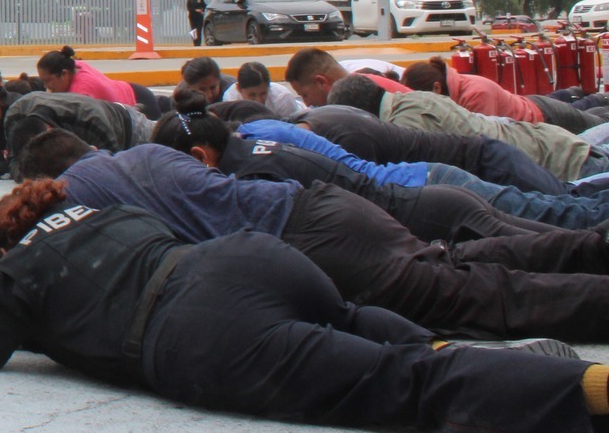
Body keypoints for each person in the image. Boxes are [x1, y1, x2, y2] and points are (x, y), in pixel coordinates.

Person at [0, 181, 609, 433]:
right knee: (363, 326)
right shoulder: (106, 211)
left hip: (201, 331)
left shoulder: (17, 270)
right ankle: (522, 367)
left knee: (410, 386)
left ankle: (581, 389)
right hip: (251, 259)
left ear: (5, 244)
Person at [22, 131, 609, 341]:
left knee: (491, 296)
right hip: (325, 207)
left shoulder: (80, 202)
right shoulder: (147, 152)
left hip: (317, 250)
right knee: (466, 260)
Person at [156, 106, 586, 250]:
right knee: (564, 216)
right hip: (430, 181)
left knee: (566, 224)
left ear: (200, 155)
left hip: (429, 192)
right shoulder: (257, 143)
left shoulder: (253, 173)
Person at [330, 74, 604, 183]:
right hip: (554, 144)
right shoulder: (413, 99)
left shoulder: (406, 127)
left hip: (562, 164)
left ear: (359, 116)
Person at [402, 59, 599, 135]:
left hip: (546, 116)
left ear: (436, 88)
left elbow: (484, 138)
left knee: (600, 125)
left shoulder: (475, 95)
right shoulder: (458, 88)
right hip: (531, 108)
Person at [2, 88, 152, 169]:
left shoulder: (89, 120)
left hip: (132, 129)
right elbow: (16, 165)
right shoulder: (14, 116)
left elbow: (111, 170)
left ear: (49, 131)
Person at [285, 47, 407, 108]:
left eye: (305, 95)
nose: (306, 103)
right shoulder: (352, 78)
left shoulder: (364, 92)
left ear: (321, 82)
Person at [35, 46, 137, 107]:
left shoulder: (80, 93)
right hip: (123, 89)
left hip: (137, 100)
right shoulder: (72, 66)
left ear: (64, 74)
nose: (45, 86)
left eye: (47, 80)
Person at [227, 60, 306, 118]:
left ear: (269, 87)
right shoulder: (231, 100)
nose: (259, 100)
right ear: (239, 89)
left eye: (263, 93)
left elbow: (292, 128)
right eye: (252, 95)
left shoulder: (283, 97)